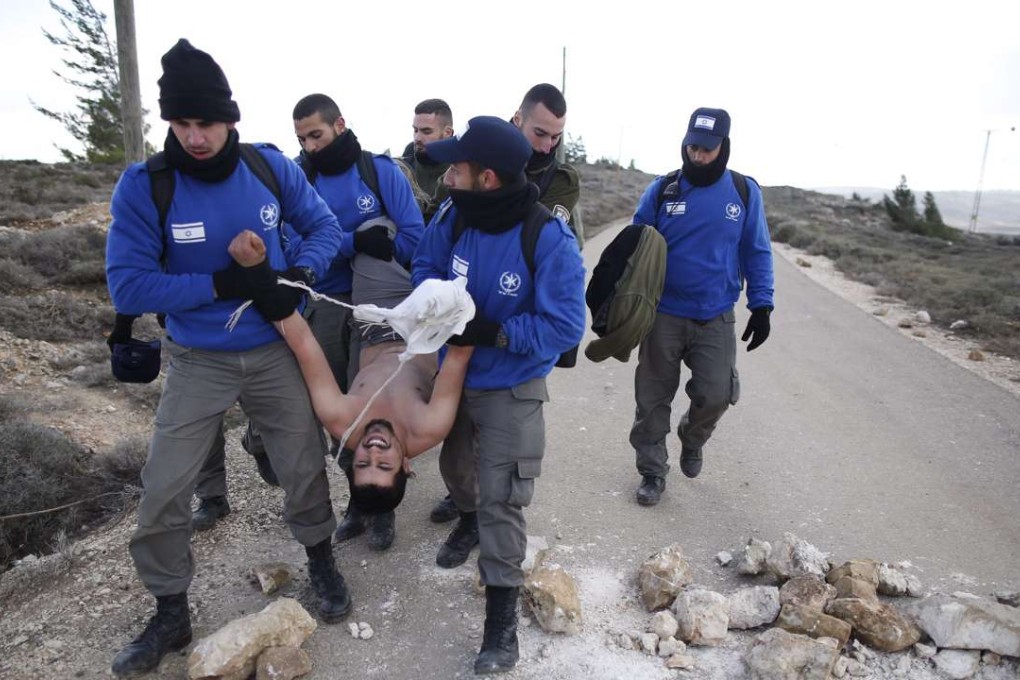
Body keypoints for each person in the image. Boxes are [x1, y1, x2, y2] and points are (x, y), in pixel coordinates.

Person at [104, 39, 351, 677]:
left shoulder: (270, 169)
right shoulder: (146, 186)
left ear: (230, 119)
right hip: (197, 356)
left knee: (302, 462)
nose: (194, 138)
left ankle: (320, 559)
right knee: (164, 486)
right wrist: (221, 284)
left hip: (273, 349)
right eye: (181, 125)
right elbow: (129, 286)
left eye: (206, 123)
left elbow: (326, 229)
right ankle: (169, 610)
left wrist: (296, 272)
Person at [412, 116, 586, 674]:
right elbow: (424, 264)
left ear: (485, 177)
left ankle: (499, 629)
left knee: (502, 499)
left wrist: (495, 331)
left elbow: (564, 327)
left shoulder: (546, 237)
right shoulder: (453, 216)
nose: (447, 176)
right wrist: (441, 305)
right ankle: (467, 516)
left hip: (511, 381)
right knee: (459, 473)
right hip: (452, 375)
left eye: (455, 168)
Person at [226, 229, 473, 515]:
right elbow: (459, 354)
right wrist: (459, 306)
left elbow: (306, 346)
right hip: (430, 326)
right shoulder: (429, 426)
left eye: (363, 463)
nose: (373, 452)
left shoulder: (340, 418)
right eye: (383, 465)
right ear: (405, 465)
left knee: (378, 235)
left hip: (381, 321)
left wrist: (259, 276)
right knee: (456, 255)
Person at [428, 83, 584, 526]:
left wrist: (500, 330)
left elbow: (564, 281)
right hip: (456, 358)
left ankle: (485, 521)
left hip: (514, 360)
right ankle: (467, 505)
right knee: (456, 459)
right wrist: (440, 303)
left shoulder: (559, 191)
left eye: (556, 137)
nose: (547, 145)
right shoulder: (468, 179)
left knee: (503, 479)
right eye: (540, 133)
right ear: (518, 121)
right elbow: (430, 256)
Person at [628, 107, 775, 507]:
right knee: (652, 398)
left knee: (717, 393)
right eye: (693, 146)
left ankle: (692, 438)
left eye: (707, 149)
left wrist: (761, 304)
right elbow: (633, 247)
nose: (698, 156)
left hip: (715, 314)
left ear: (723, 147)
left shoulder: (744, 193)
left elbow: (756, 250)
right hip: (663, 314)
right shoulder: (663, 190)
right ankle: (652, 471)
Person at [400, 98, 455, 222]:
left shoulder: (462, 169)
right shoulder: (403, 167)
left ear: (447, 132)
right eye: (415, 130)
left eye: (426, 131)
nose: (417, 138)